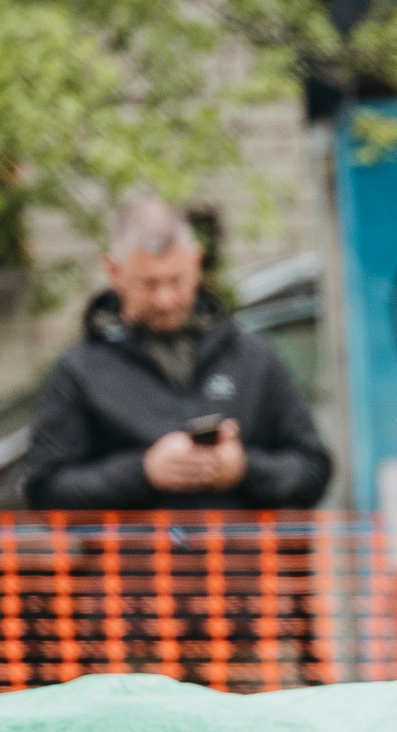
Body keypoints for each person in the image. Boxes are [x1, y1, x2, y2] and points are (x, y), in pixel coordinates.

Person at [23, 194, 331, 510]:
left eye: (176, 280)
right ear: (114, 272)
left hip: (240, 558)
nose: (166, 299)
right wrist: (143, 472)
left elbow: (313, 470)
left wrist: (244, 469)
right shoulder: (78, 371)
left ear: (196, 263)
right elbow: (45, 489)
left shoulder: (254, 359)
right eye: (149, 284)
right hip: (133, 559)